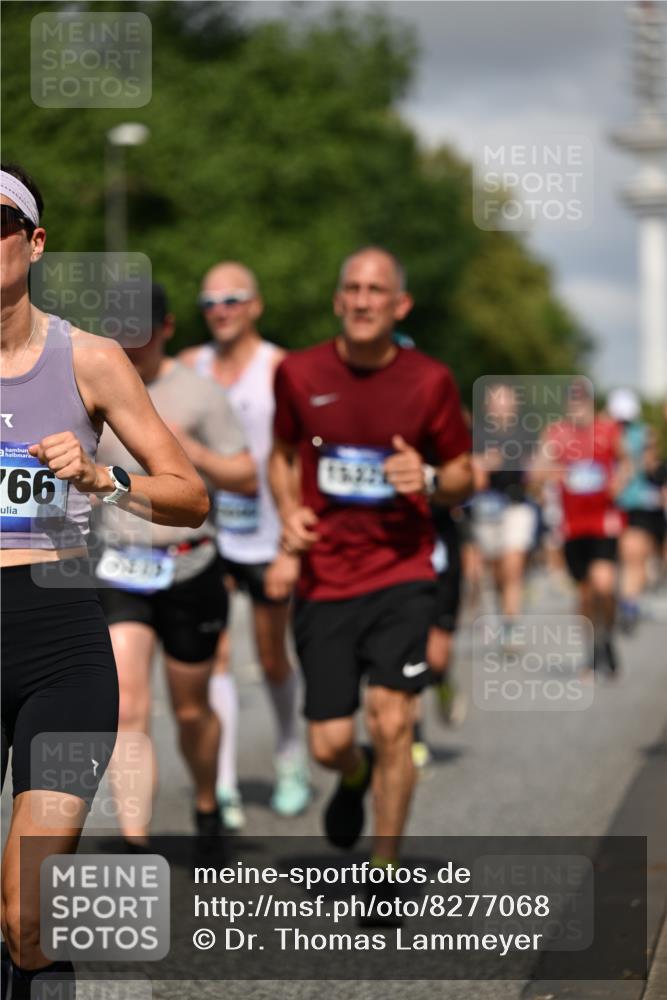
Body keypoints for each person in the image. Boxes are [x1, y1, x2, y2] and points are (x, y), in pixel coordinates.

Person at [0, 165, 208, 998]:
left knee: (27, 911)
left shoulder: (89, 358)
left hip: (58, 640)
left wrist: (101, 479)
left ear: (34, 242)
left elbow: (189, 496)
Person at [268, 246, 472, 917]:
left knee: (393, 719)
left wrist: (434, 480)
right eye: (350, 288)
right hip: (325, 578)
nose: (361, 299)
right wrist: (288, 512)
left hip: (402, 573)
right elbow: (283, 453)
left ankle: (383, 869)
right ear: (337, 301)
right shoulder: (297, 373)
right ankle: (350, 777)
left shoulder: (429, 382)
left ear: (398, 306)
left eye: (375, 290)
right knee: (330, 741)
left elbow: (464, 472)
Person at [95, 284, 256, 847]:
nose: (128, 345)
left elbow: (246, 477)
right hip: (120, 568)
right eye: (120, 334)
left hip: (189, 567)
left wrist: (198, 453)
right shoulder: (96, 387)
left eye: (140, 334)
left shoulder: (199, 394)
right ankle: (135, 841)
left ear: (166, 330)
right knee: (129, 704)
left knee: (191, 711)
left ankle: (208, 803)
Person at [180, 261, 310, 828]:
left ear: (255, 305)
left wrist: (290, 546)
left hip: (265, 536)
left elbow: (300, 458)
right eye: (210, 302)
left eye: (233, 299)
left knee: (272, 655)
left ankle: (290, 757)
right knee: (215, 660)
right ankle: (224, 783)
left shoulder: (280, 367)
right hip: (207, 534)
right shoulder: (190, 366)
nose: (221, 311)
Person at [536, 378, 625, 674]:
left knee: (605, 583)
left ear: (591, 402)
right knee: (585, 593)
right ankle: (592, 648)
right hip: (572, 526)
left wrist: (619, 481)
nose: (578, 407)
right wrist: (551, 473)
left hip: (603, 521)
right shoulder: (557, 433)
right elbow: (537, 469)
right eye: (573, 401)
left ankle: (608, 634)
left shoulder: (608, 430)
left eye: (582, 401)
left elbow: (627, 462)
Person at [471, 382, 538, 641]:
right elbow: (470, 471)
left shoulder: (526, 434)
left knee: (513, 564)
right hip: (487, 508)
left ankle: (512, 623)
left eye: (505, 400)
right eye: (496, 400)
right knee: (497, 570)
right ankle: (504, 612)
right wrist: (483, 465)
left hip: (516, 506)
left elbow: (538, 468)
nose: (501, 405)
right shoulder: (477, 434)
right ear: (488, 406)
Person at [608, 387, 666, 631]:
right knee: (630, 559)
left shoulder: (635, 434)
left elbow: (653, 468)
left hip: (634, 505)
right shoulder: (643, 434)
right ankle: (627, 601)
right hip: (624, 504)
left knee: (632, 557)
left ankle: (628, 602)